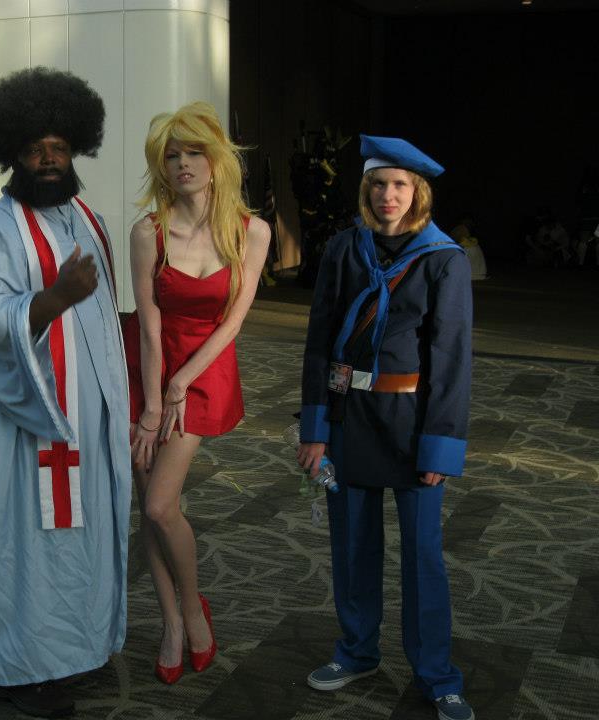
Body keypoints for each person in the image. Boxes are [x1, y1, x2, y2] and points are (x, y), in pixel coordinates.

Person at [0, 67, 130, 719]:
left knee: (82, 541)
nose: (50, 159)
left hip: (86, 421)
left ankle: (73, 651)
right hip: (23, 426)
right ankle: (17, 669)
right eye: (35, 150)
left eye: (59, 147)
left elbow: (102, 325)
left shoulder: (89, 220)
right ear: (12, 155)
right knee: (21, 547)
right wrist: (54, 298)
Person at [297, 135, 473, 720]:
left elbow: (451, 360)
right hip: (349, 417)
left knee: (423, 555)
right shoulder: (344, 248)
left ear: (417, 192)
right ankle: (356, 651)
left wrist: (440, 448)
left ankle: (437, 674)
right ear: (366, 190)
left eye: (400, 185)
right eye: (378, 184)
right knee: (352, 546)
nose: (388, 195)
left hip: (413, 423)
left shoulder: (443, 258)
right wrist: (315, 429)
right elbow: (320, 342)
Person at [123, 102, 269, 685]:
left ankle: (192, 608)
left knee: (162, 504)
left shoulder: (250, 230)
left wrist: (183, 382)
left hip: (204, 367)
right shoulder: (148, 232)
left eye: (193, 153)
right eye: (171, 156)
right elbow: (149, 324)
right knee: (149, 509)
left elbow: (234, 320)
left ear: (216, 161)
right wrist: (153, 403)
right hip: (147, 367)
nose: (182, 164)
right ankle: (171, 624)